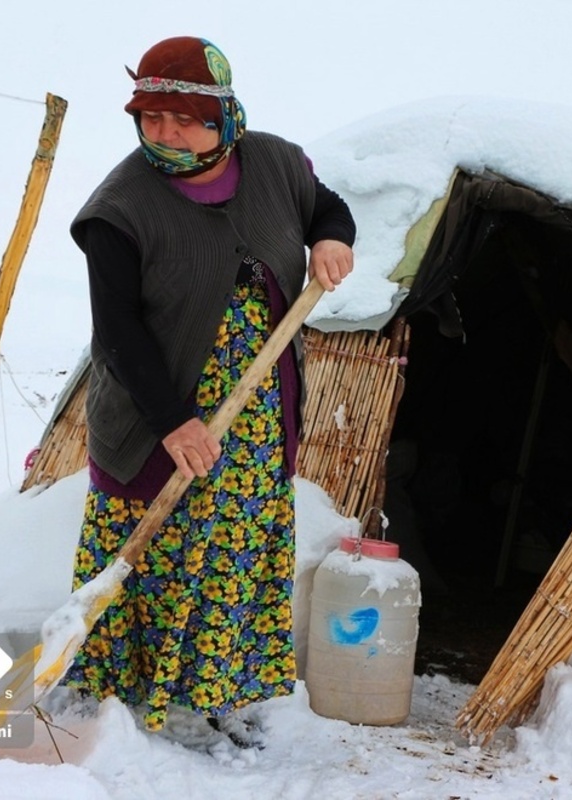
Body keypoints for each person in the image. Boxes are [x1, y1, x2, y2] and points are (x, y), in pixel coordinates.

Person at [61, 35, 355, 745]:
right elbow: (119, 334)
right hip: (154, 410)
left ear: (224, 114)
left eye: (186, 119)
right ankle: (115, 697)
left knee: (237, 547)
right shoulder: (120, 208)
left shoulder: (276, 163)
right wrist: (174, 422)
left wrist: (330, 238)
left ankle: (223, 693)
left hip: (256, 413)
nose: (167, 133)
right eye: (152, 118)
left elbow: (328, 206)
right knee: (154, 548)